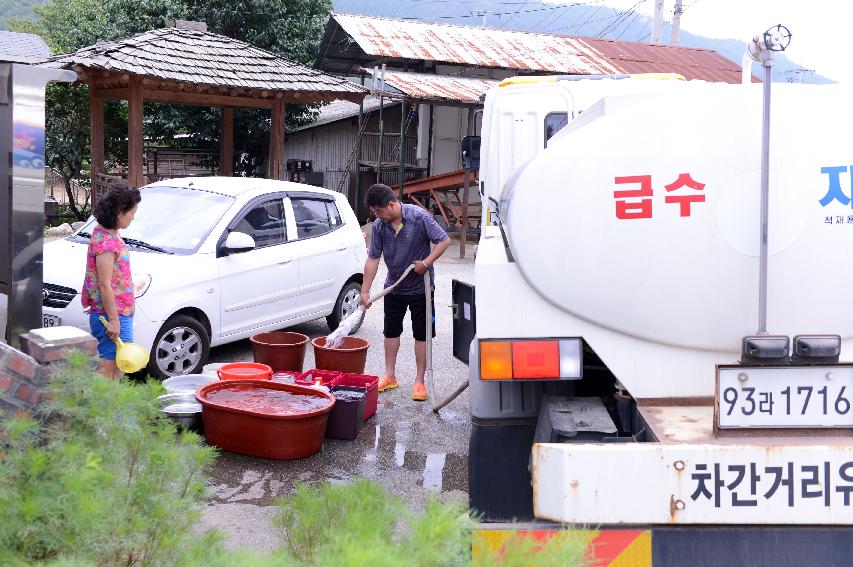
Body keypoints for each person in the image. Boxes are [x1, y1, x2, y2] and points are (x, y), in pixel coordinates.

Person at [361, 184, 450, 401]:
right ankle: (390, 375)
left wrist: (426, 263)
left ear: (391, 204)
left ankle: (419, 381)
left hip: (421, 289)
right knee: (390, 332)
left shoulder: (419, 217)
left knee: (422, 334)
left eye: (378, 211)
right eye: (374, 212)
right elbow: (373, 259)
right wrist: (365, 290)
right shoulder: (381, 226)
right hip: (394, 286)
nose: (376, 215)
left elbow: (444, 240)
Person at [81, 186, 141, 379]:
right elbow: (104, 284)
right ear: (118, 213)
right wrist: (114, 321)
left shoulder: (107, 232)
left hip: (119, 312)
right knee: (111, 366)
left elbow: (113, 278)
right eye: (131, 213)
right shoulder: (107, 242)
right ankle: (104, 409)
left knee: (118, 365)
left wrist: (129, 286)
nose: (133, 217)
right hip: (112, 316)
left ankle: (112, 409)